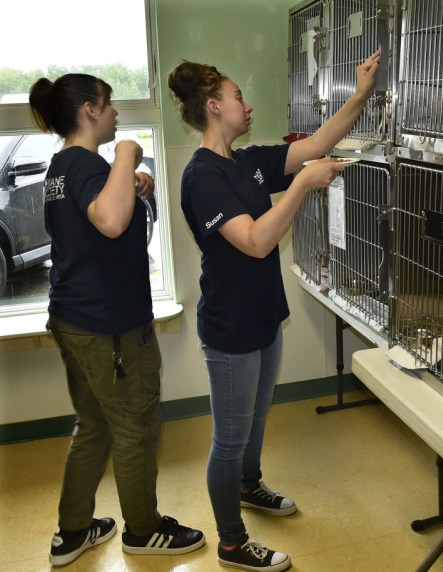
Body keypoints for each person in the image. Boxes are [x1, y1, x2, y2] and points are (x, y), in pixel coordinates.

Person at [167, 50, 380, 572]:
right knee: (229, 436)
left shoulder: (246, 161)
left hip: (265, 316)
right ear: (214, 107)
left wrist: (360, 94)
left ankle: (248, 485)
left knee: (256, 418)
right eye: (238, 97)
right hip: (231, 327)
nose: (247, 104)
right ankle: (233, 544)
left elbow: (316, 144)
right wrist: (304, 184)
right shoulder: (202, 177)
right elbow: (258, 241)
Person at [28, 73, 205, 567]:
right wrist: (127, 155)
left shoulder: (62, 169)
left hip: (74, 318)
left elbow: (107, 235)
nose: (116, 115)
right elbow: (109, 222)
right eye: (109, 106)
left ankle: (73, 532)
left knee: (94, 425)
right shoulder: (87, 164)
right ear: (89, 109)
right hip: (108, 327)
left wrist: (133, 187)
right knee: (135, 426)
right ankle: (144, 532)